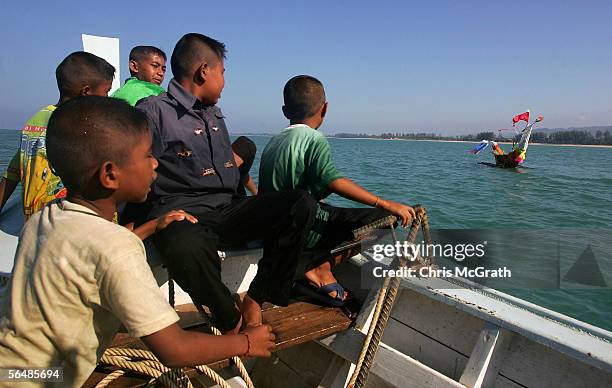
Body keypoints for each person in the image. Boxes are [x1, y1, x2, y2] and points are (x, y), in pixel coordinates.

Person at [0, 96, 276, 387]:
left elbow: (94, 253)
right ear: (110, 174)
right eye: (147, 155)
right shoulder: (117, 249)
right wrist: (246, 342)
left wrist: (153, 225)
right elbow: (174, 349)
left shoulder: (45, 219)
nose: (156, 163)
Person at [136, 33, 339, 333]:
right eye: (223, 72)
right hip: (183, 214)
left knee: (300, 203)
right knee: (183, 245)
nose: (224, 81)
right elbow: (135, 172)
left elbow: (233, 176)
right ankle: (230, 321)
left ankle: (256, 297)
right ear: (204, 71)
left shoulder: (215, 115)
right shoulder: (152, 112)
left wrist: (256, 198)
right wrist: (139, 225)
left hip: (228, 209)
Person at [258, 75, 416, 305]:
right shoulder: (314, 139)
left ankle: (311, 262)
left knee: (330, 210)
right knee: (386, 219)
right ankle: (321, 268)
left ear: (285, 111)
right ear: (325, 108)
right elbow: (332, 180)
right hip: (299, 228)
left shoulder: (274, 141)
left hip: (273, 226)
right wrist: (385, 203)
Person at [0, 52, 115, 220]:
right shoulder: (81, 125)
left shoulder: (36, 120)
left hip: (33, 222)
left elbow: (12, 174)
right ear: (87, 92)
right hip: (66, 224)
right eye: (106, 92)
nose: (107, 98)